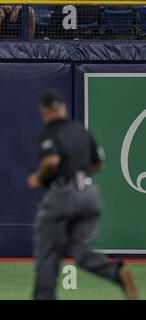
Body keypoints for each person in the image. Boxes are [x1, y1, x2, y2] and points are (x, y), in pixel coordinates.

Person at [27, 90, 138, 300]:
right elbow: (98, 164)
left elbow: (51, 161)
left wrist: (38, 178)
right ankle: (116, 273)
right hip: (89, 194)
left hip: (62, 195)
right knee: (83, 253)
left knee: (48, 254)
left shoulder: (50, 130)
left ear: (45, 110)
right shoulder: (80, 131)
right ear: (63, 108)